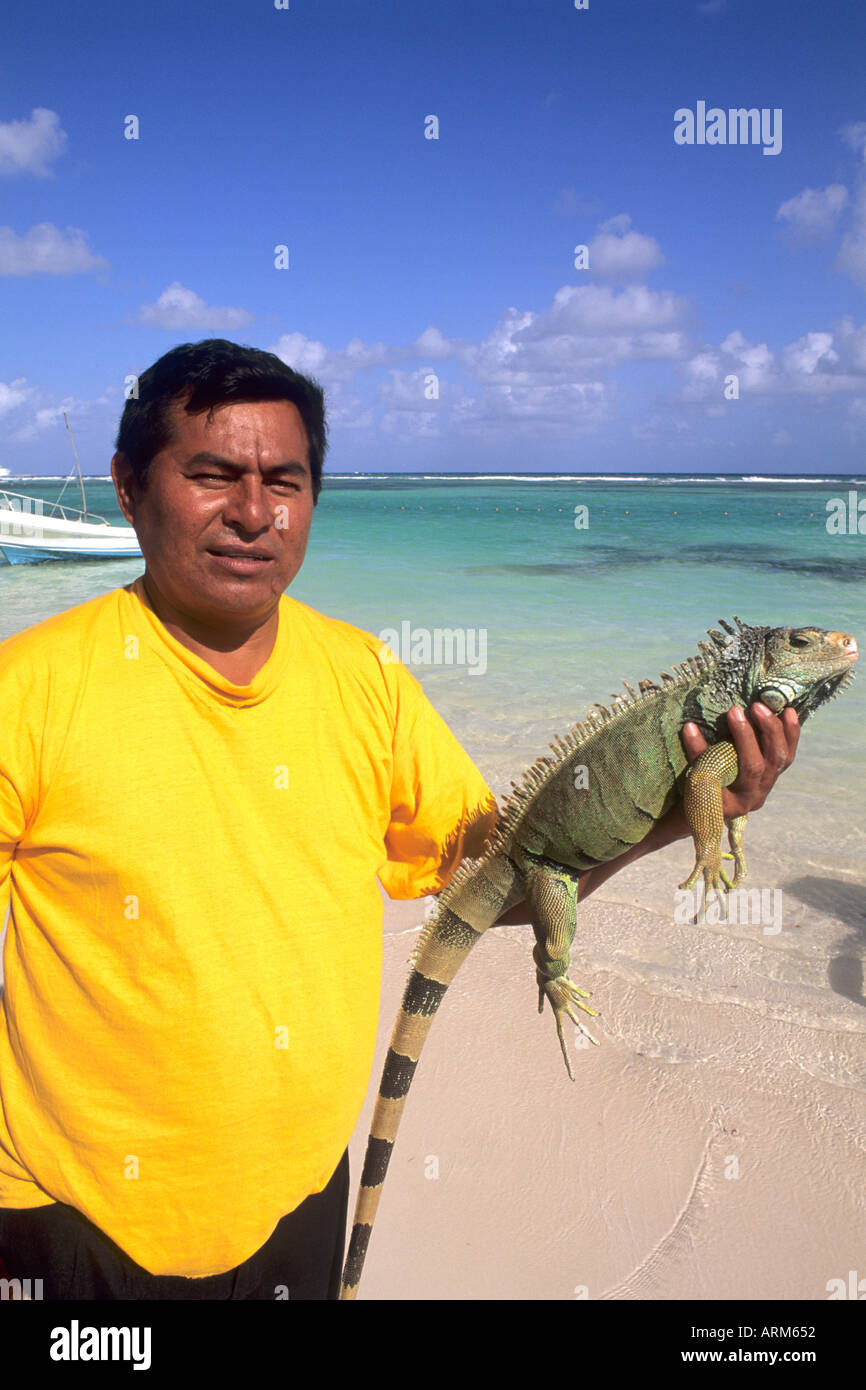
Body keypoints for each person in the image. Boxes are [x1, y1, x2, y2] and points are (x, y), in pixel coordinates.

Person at [0, 339, 799, 1301]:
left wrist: (687, 810)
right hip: (67, 1217)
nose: (254, 513)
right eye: (212, 475)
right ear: (129, 487)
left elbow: (502, 877)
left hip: (300, 1197)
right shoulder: (30, 691)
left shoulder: (367, 681)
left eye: (284, 481)